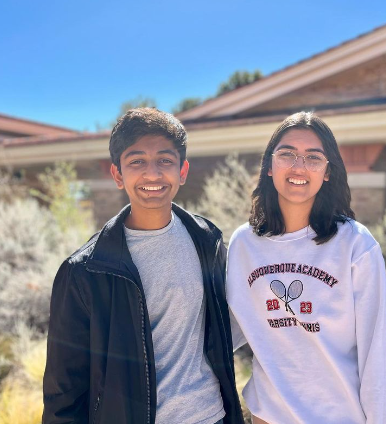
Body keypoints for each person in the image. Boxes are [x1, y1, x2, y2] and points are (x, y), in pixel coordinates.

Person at [43, 108, 244, 424]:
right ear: (118, 175)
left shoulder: (208, 241)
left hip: (211, 416)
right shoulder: (84, 271)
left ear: (182, 171)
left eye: (165, 160)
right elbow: (64, 390)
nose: (153, 174)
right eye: (137, 162)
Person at [227, 111, 386, 424]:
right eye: (287, 154)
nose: (299, 166)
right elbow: (223, 332)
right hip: (267, 418)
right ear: (270, 167)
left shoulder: (354, 244)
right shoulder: (244, 244)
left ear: (327, 172)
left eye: (313, 157)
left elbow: (377, 347)